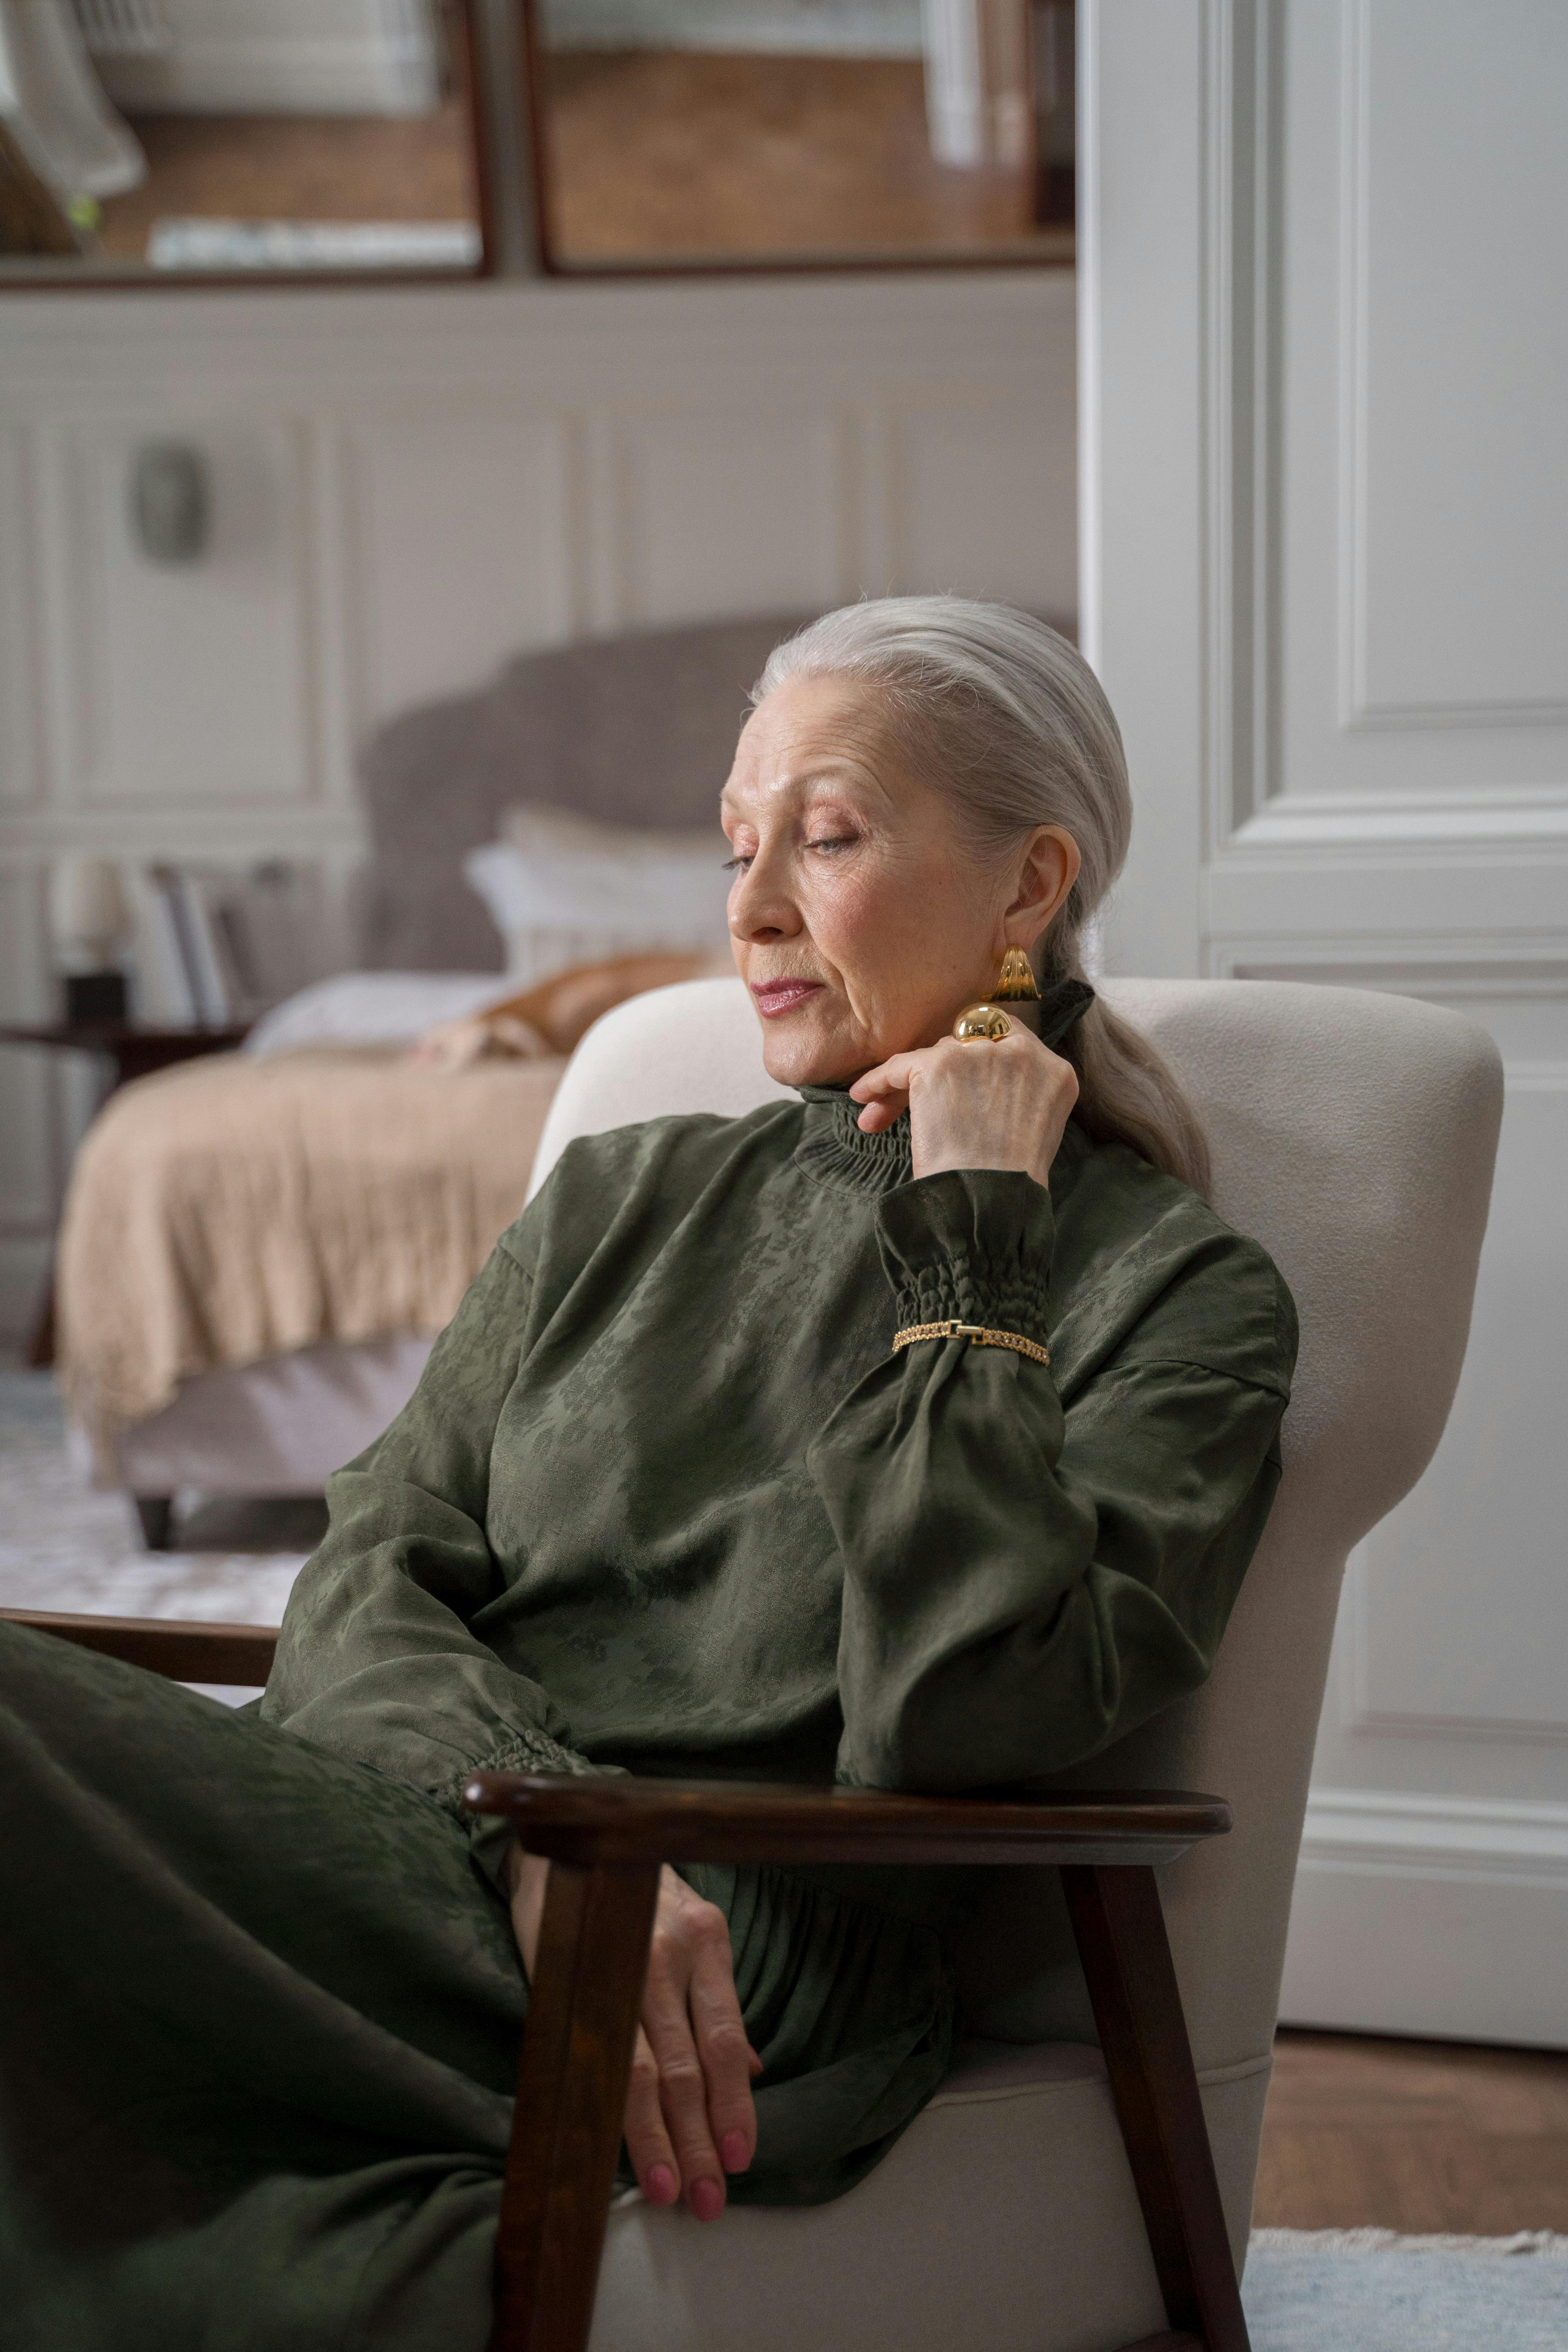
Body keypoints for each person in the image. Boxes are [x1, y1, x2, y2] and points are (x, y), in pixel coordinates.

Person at [0, 599, 1296, 2350]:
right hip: (469, 1855)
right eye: (737, 845)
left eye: (824, 839)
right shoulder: (622, 1194)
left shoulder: (1179, 1295)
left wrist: (971, 1238)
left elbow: (963, 1711)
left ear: (1027, 883)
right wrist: (538, 1829)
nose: (750, 905)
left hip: (747, 1970)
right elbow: (367, 1565)